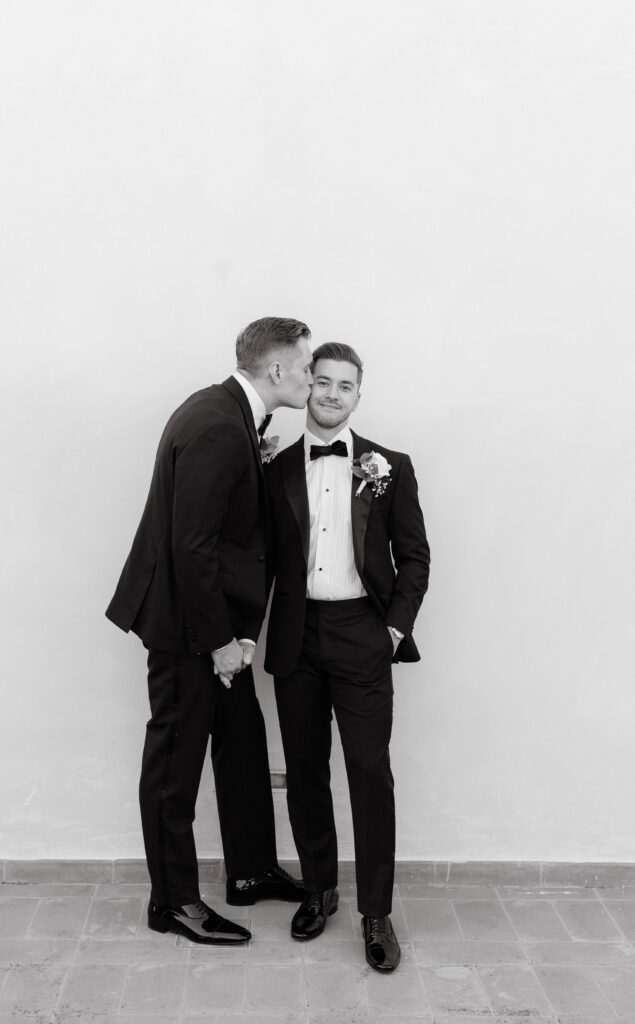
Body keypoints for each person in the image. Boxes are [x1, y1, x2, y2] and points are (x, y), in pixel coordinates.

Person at [106, 317, 313, 945]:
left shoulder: (229, 413)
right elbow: (191, 547)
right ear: (277, 369)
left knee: (242, 743)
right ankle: (171, 903)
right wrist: (221, 642)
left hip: (218, 622)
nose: (310, 376)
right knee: (175, 765)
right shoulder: (220, 426)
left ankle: (249, 872)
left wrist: (238, 636)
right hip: (186, 629)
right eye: (306, 365)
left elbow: (223, 537)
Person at [264, 342, 430, 971]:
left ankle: (376, 912)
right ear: (307, 386)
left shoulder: (391, 465)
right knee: (305, 772)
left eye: (345, 386)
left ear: (359, 395)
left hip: (362, 632)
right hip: (296, 635)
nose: (332, 394)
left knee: (368, 772)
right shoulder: (274, 469)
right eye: (323, 382)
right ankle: (319, 888)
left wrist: (392, 629)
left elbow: (415, 556)